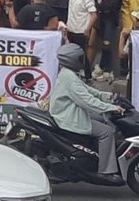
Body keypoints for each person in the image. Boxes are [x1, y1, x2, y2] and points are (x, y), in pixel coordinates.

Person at [48, 42, 121, 179]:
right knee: (107, 132)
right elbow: (87, 101)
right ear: (72, 60)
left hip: (67, 113)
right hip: (68, 118)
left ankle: (96, 154)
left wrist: (107, 96)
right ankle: (106, 171)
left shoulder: (68, 73)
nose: (83, 61)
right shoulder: (69, 78)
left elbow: (87, 90)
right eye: (80, 58)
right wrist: (111, 107)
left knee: (103, 119)